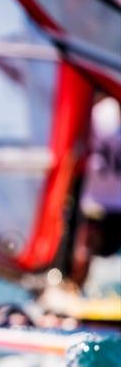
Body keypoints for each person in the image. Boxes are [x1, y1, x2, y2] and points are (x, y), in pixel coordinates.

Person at [69, 94, 121, 289]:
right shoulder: (100, 114)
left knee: (86, 248)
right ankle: (71, 292)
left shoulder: (99, 112)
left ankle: (73, 291)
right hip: (95, 200)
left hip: (108, 203)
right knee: (84, 249)